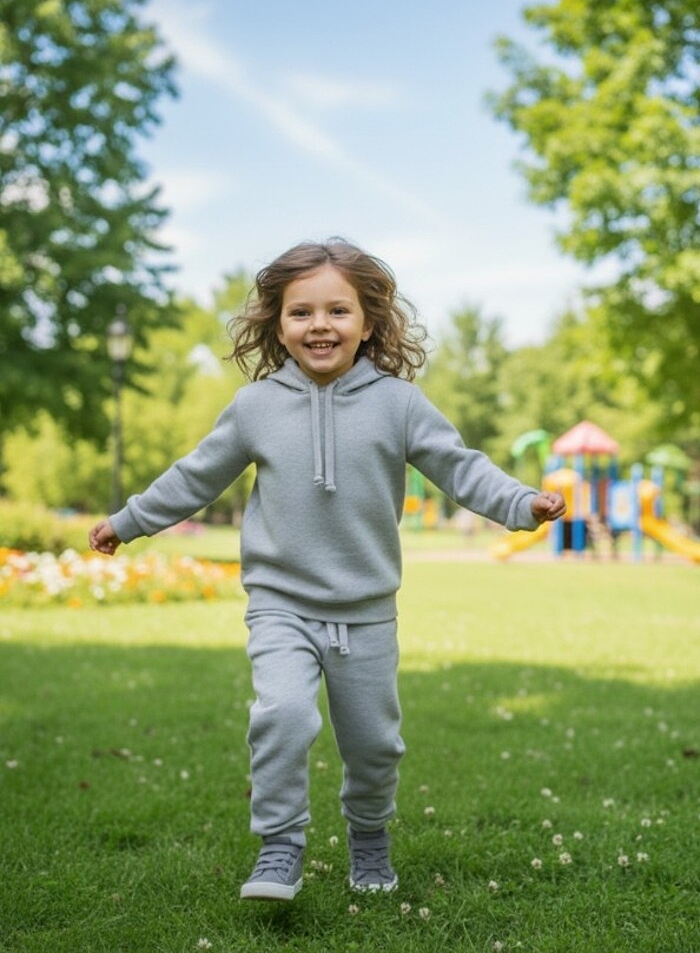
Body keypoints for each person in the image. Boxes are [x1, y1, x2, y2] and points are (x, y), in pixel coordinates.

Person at [89, 238, 566, 902]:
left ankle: (368, 838)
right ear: (278, 325)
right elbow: (195, 476)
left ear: (368, 323)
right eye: (301, 313)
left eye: (337, 311)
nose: (319, 325)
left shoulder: (397, 404)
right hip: (280, 602)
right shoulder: (256, 407)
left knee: (374, 746)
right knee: (282, 714)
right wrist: (129, 520)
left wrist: (522, 502)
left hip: (367, 610)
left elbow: (461, 466)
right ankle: (280, 845)